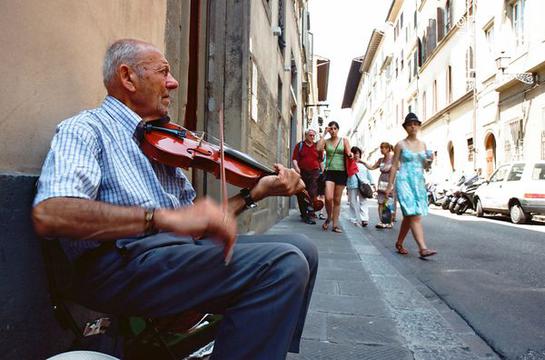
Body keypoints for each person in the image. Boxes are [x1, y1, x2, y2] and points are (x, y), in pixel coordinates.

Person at [31, 39, 318, 360]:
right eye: (163, 72)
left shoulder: (161, 140)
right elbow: (51, 214)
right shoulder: (85, 129)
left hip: (171, 254)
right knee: (282, 265)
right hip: (119, 264)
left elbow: (196, 226)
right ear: (128, 78)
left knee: (304, 249)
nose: (173, 81)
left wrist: (255, 193)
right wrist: (159, 218)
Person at [385, 113, 437, 258]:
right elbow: (394, 165)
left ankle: (399, 242)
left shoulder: (423, 145)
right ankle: (423, 248)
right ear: (405, 128)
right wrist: (389, 185)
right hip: (404, 181)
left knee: (409, 216)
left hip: (418, 182)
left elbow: (425, 166)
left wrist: (430, 161)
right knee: (414, 215)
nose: (413, 126)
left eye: (415, 124)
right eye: (410, 124)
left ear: (419, 126)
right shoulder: (400, 144)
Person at [316, 121, 353, 233]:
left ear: (338, 129)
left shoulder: (344, 140)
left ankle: (335, 224)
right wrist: (323, 134)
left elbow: (348, 152)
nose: (333, 131)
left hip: (341, 172)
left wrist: (351, 155)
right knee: (328, 198)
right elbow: (318, 148)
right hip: (329, 172)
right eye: (331, 129)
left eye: (335, 128)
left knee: (337, 200)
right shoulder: (326, 142)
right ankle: (328, 218)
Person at [292, 129, 323, 225]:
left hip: (315, 172)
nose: (312, 137)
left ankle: (310, 214)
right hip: (302, 172)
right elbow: (294, 159)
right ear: (306, 135)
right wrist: (297, 169)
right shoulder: (300, 146)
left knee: (312, 192)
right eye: (310, 135)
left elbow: (321, 160)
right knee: (301, 193)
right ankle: (303, 213)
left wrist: (323, 171)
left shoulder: (317, 147)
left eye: (314, 135)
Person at [363, 142, 396, 229]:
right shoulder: (380, 160)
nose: (382, 149)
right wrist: (362, 162)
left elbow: (398, 168)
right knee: (380, 202)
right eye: (381, 148)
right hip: (381, 182)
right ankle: (382, 221)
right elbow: (371, 167)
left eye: (384, 148)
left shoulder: (394, 159)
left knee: (389, 202)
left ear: (388, 149)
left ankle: (389, 221)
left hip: (390, 181)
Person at [346, 146, 374, 227]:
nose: (356, 155)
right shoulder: (349, 163)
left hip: (364, 185)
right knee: (352, 202)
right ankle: (353, 218)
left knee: (364, 202)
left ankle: (364, 219)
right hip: (352, 184)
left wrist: (372, 183)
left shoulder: (363, 164)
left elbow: (368, 174)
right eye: (354, 153)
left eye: (357, 153)